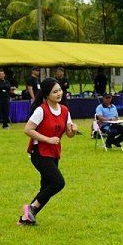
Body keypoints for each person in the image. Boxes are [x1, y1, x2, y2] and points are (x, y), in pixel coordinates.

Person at [19, 78, 78, 225]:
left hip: (54, 153)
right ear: (46, 94)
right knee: (58, 182)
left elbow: (69, 134)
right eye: (55, 91)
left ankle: (26, 219)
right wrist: (47, 139)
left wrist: (73, 131)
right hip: (39, 153)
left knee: (46, 187)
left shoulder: (64, 110)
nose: (59, 93)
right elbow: (28, 129)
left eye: (59, 90)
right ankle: (31, 209)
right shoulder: (41, 110)